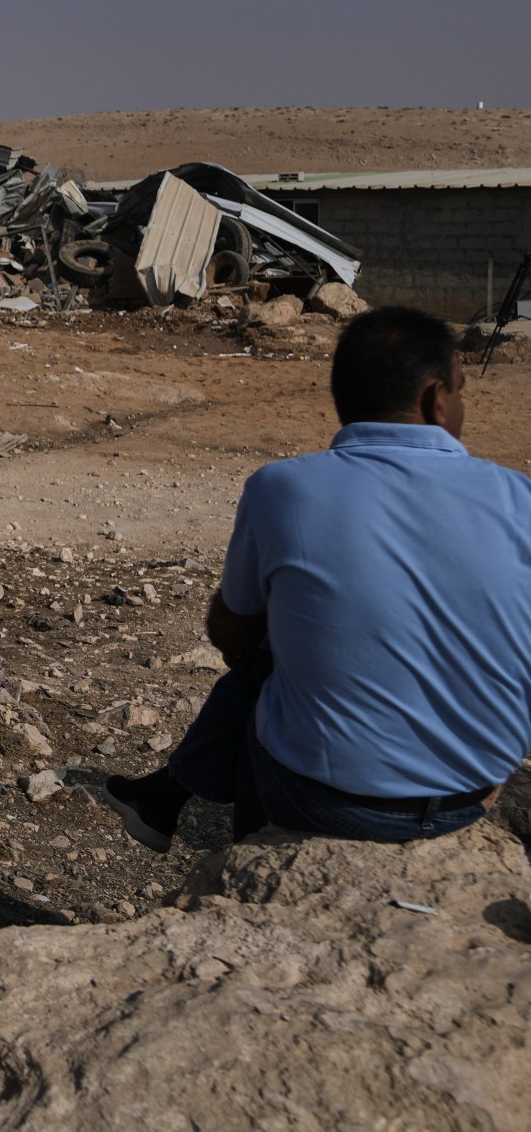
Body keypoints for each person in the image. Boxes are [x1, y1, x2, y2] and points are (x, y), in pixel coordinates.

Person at [102, 306, 531, 850]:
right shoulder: (520, 499)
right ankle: (169, 797)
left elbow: (231, 633)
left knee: (271, 669)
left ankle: (233, 849)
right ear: (436, 398)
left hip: (320, 800)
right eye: (462, 390)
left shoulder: (283, 488)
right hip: (469, 797)